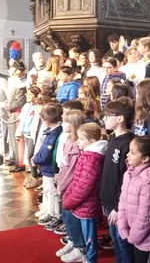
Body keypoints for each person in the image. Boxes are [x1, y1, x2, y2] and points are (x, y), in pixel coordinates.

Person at [117, 135, 150, 263]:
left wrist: (133, 236)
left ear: (145, 158)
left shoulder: (149, 182)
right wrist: (123, 227)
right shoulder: (129, 174)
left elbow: (145, 217)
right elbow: (122, 201)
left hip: (149, 238)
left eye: (132, 153)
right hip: (135, 235)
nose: (127, 155)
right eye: (129, 151)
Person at [63, 123, 108, 263]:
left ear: (92, 141)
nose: (77, 142)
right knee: (86, 233)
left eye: (81, 139)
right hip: (83, 203)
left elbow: (85, 186)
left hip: (88, 204)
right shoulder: (88, 155)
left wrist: (70, 200)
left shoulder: (92, 158)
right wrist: (67, 195)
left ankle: (90, 259)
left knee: (89, 236)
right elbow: (77, 180)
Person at [99, 97, 135, 263]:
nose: (104, 119)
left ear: (120, 118)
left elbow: (126, 179)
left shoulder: (128, 143)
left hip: (118, 204)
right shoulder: (113, 139)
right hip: (109, 200)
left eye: (108, 116)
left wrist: (117, 207)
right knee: (115, 238)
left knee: (122, 240)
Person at [55, 109, 87, 262]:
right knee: (66, 216)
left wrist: (61, 185)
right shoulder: (68, 139)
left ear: (73, 124)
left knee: (71, 216)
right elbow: (65, 165)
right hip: (64, 183)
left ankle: (80, 247)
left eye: (66, 121)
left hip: (71, 186)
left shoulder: (76, 145)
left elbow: (72, 171)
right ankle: (73, 241)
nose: (62, 123)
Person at [32, 103, 63, 226]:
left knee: (52, 192)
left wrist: (36, 160)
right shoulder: (51, 131)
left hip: (50, 168)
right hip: (47, 168)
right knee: (47, 191)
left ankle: (55, 215)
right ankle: (49, 211)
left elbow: (47, 152)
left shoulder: (55, 133)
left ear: (47, 121)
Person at [15, 86, 41, 188]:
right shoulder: (26, 106)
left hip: (33, 134)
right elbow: (22, 120)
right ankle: (34, 176)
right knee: (29, 156)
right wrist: (18, 133)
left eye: (30, 94)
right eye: (27, 94)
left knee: (31, 156)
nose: (28, 96)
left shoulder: (38, 107)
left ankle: (35, 177)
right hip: (26, 133)